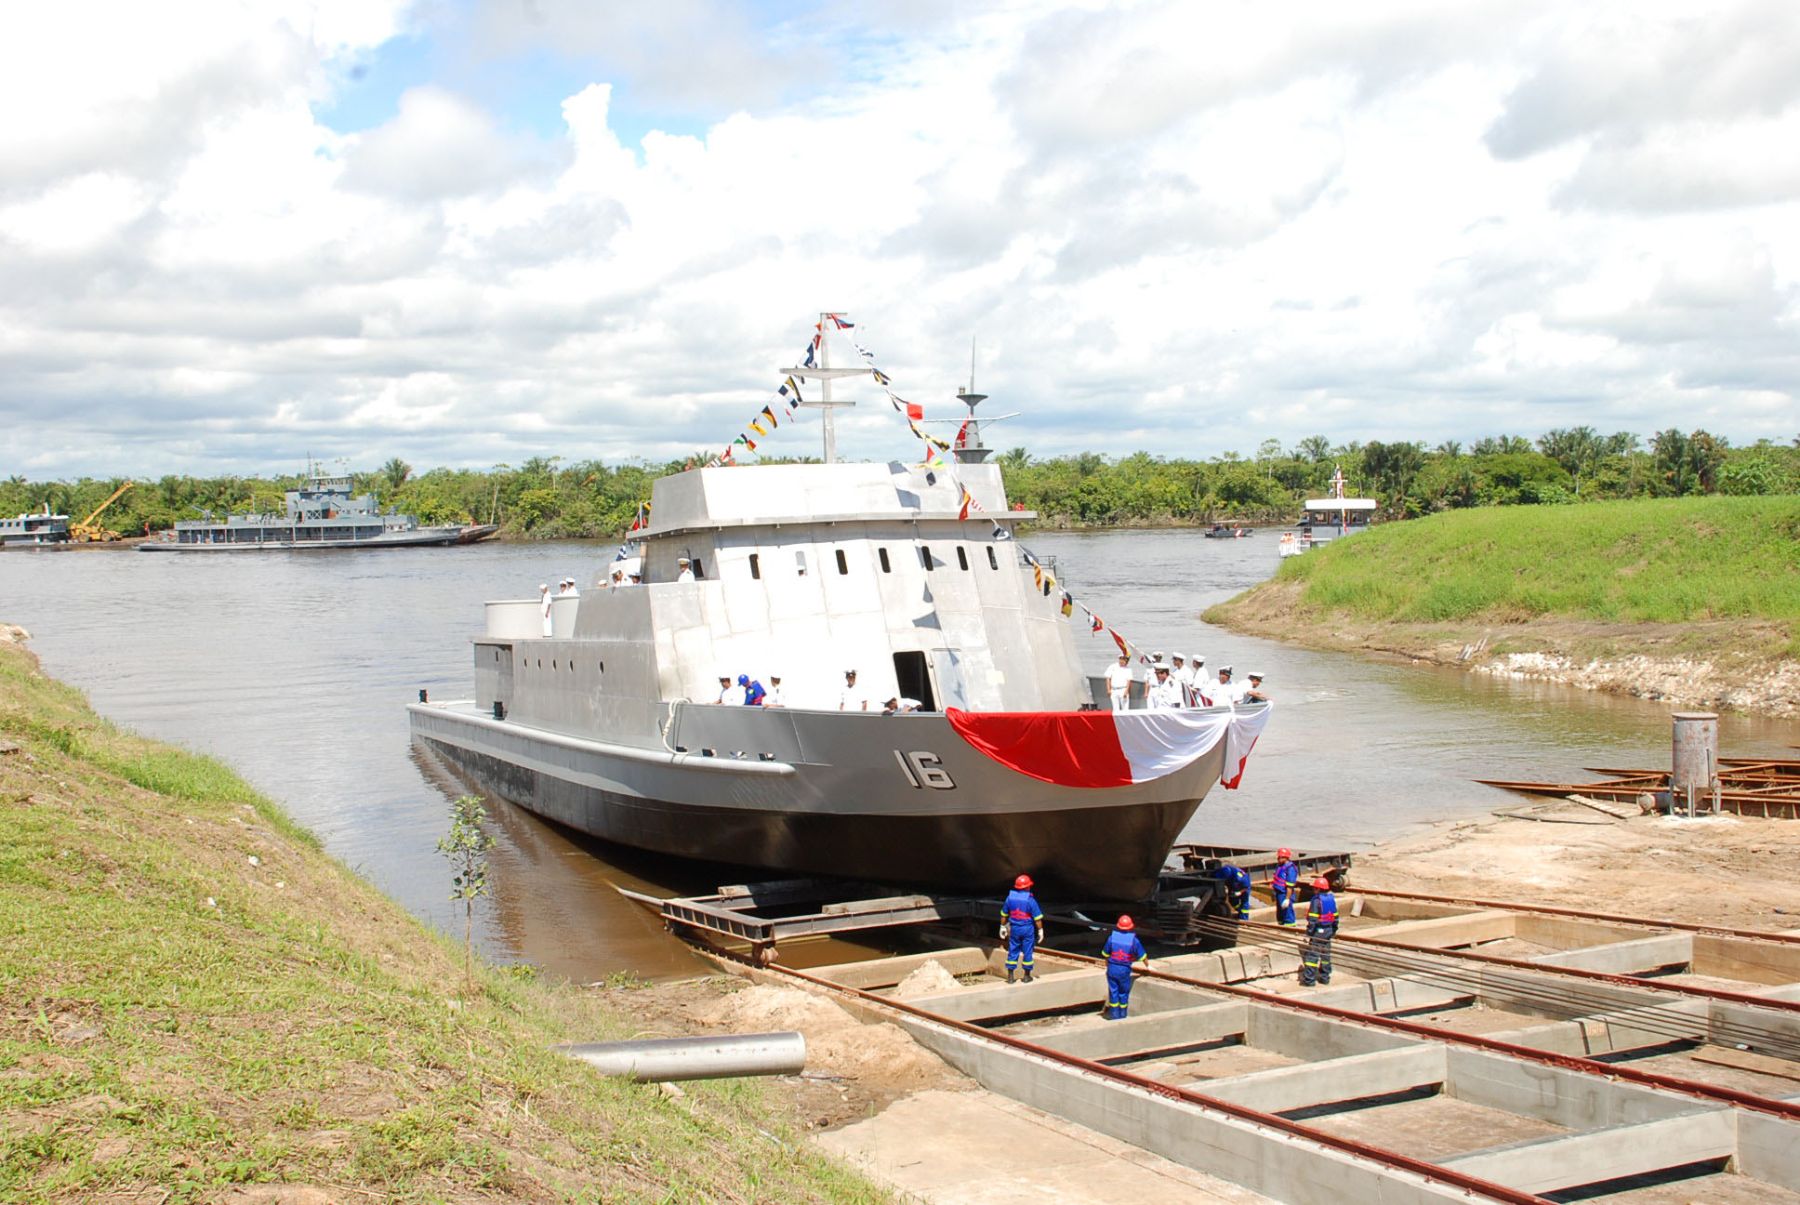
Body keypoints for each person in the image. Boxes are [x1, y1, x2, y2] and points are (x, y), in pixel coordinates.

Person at [1101, 915, 1149, 1019]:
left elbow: (1105, 954)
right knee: (1123, 993)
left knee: (1113, 992)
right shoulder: (1133, 940)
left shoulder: (1112, 938)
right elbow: (1143, 956)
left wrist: (1108, 967)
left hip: (1112, 968)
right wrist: (1148, 966)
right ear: (1130, 927)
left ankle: (1114, 1016)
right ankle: (1122, 1015)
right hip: (1124, 970)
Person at [999, 874, 1044, 984]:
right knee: (1027, 951)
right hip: (1027, 929)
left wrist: (1002, 927)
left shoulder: (1010, 898)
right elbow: (1037, 918)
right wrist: (1040, 930)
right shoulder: (1030, 900)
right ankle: (1026, 977)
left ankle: (1010, 977)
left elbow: (1004, 914)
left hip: (1014, 928)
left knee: (1013, 950)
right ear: (1027, 887)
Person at [1300, 876, 1339, 986]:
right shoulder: (1331, 899)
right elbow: (1335, 917)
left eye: (1315, 888)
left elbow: (1313, 919)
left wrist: (1309, 932)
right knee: (1326, 956)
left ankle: (1309, 980)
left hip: (1318, 931)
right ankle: (1325, 978)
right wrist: (1333, 930)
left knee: (1312, 957)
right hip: (1328, 931)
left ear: (1318, 889)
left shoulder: (1316, 901)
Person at [1269, 847, 1299, 927]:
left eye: (1280, 857)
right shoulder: (1280, 866)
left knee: (1287, 912)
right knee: (1280, 913)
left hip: (1285, 893)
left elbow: (1290, 886)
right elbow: (1276, 878)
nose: (1278, 858)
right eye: (1278, 857)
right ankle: (1281, 925)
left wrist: (1287, 899)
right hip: (1278, 892)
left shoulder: (1290, 868)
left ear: (1286, 857)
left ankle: (1290, 926)